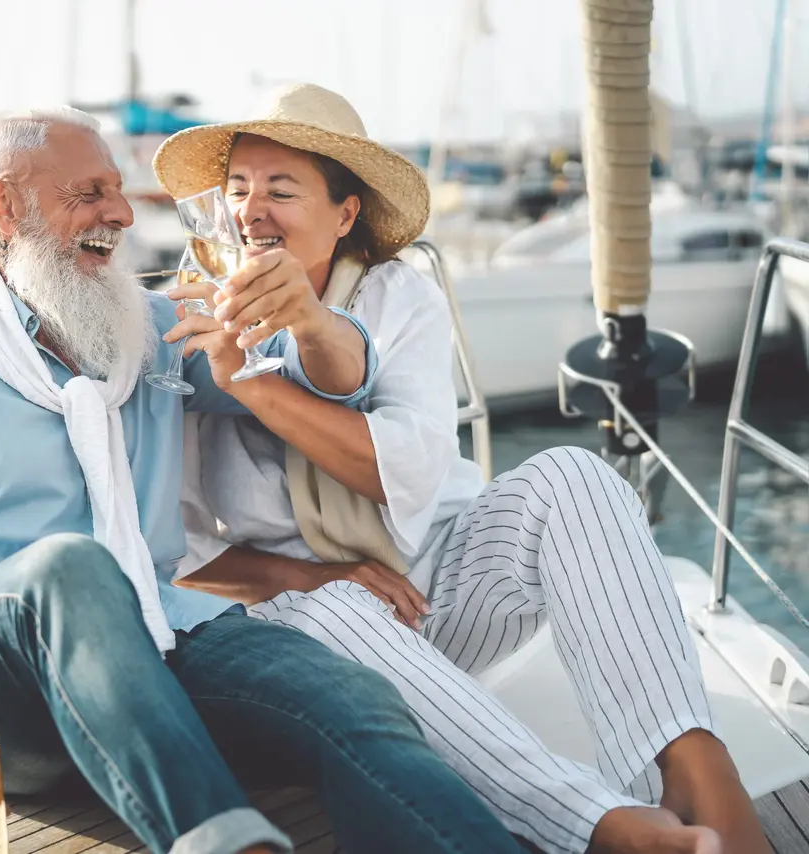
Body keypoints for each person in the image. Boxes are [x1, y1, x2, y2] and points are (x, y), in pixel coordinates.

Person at [0, 105, 522, 854]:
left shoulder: (150, 333)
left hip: (160, 643)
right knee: (72, 568)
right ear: (3, 205)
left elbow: (330, 388)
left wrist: (316, 324)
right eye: (90, 193)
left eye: (119, 191)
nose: (124, 214)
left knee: (351, 698)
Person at [155, 82, 770, 854]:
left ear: (345, 216)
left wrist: (274, 368)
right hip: (297, 617)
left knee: (574, 477)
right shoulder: (192, 325)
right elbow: (181, 561)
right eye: (238, 190)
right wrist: (321, 579)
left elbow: (400, 473)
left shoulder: (397, 297)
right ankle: (597, 825)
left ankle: (698, 774)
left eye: (282, 190)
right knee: (342, 611)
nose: (252, 211)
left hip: (430, 590)